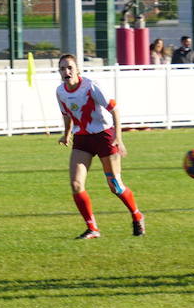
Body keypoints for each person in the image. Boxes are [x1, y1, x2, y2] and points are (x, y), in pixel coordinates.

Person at [55, 54, 145, 239]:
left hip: (104, 137)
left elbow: (114, 109)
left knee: (115, 186)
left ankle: (137, 215)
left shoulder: (90, 86)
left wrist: (118, 137)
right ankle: (92, 228)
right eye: (63, 68)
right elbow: (66, 114)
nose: (67, 72)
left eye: (70, 67)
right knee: (76, 184)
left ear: (77, 69)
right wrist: (66, 134)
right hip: (82, 139)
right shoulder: (60, 91)